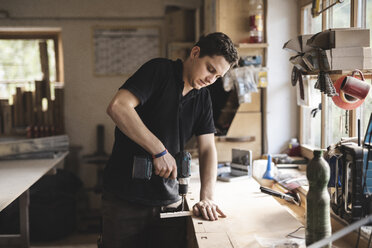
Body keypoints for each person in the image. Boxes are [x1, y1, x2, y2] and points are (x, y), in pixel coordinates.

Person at [102, 32, 238, 248]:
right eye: (210, 69)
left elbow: (207, 149)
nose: (211, 80)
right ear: (195, 53)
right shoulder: (159, 71)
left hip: (169, 201)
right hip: (125, 198)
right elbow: (118, 107)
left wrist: (207, 197)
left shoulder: (203, 97)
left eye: (218, 77)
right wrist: (159, 151)